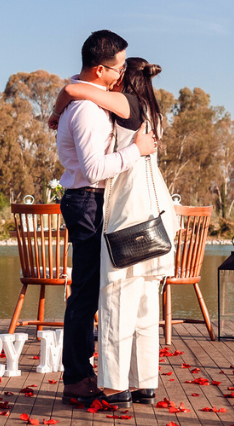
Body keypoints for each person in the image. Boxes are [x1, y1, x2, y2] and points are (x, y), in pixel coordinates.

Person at [51, 57, 176, 403]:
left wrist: (58, 109)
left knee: (116, 299)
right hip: (159, 214)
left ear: (125, 80)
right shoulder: (152, 111)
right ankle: (144, 382)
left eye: (119, 73)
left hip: (128, 214)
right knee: (145, 304)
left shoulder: (126, 104)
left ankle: (114, 385)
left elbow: (74, 88)